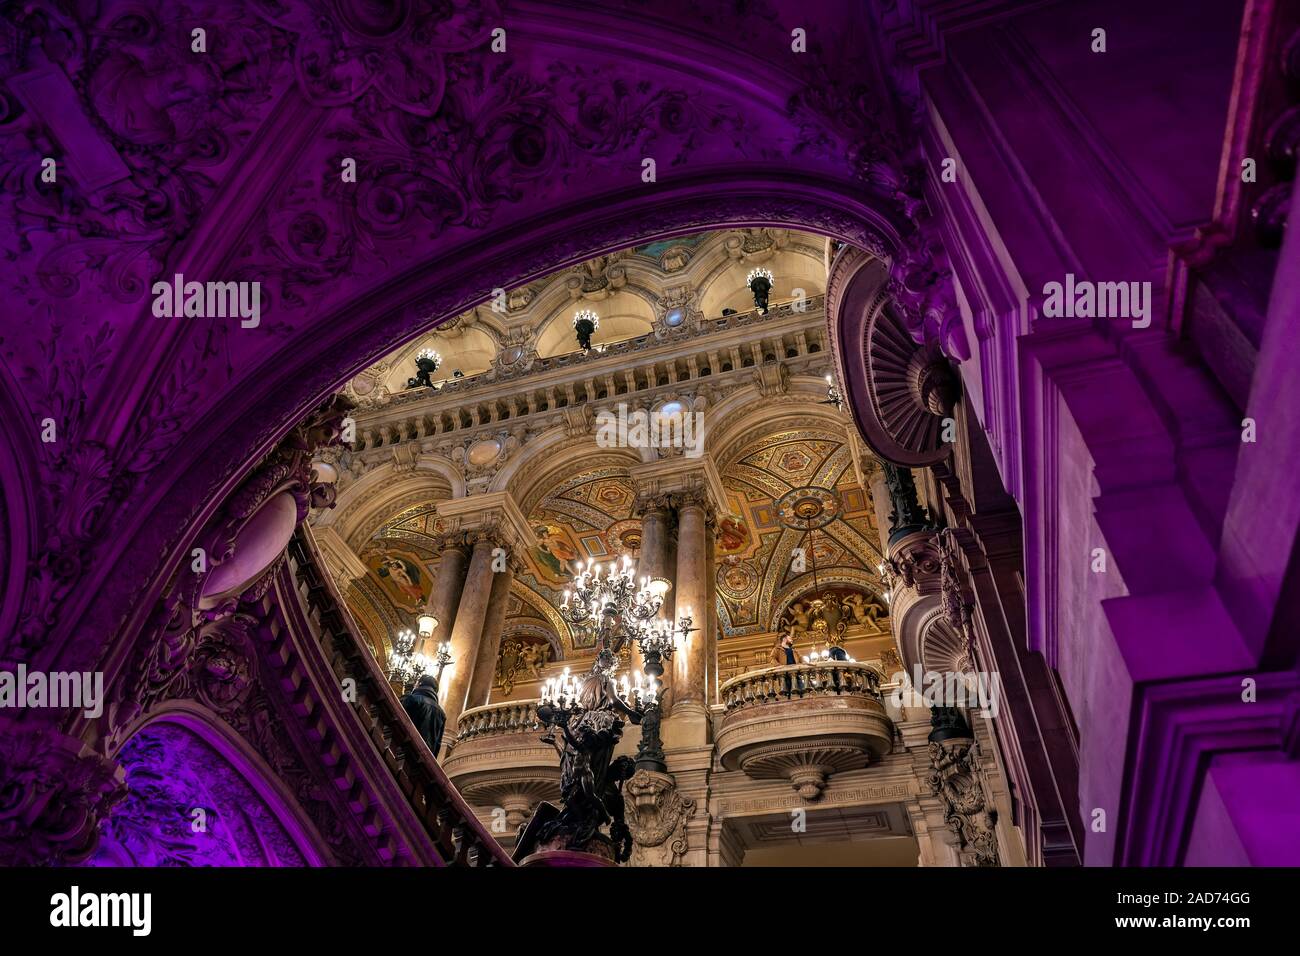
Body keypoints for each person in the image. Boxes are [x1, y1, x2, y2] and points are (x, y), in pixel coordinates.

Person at [400, 674, 447, 757]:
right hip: (424, 758)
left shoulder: (413, 699)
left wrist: (406, 694)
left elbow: (399, 718)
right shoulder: (442, 714)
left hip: (404, 750)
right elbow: (437, 744)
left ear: (419, 684)